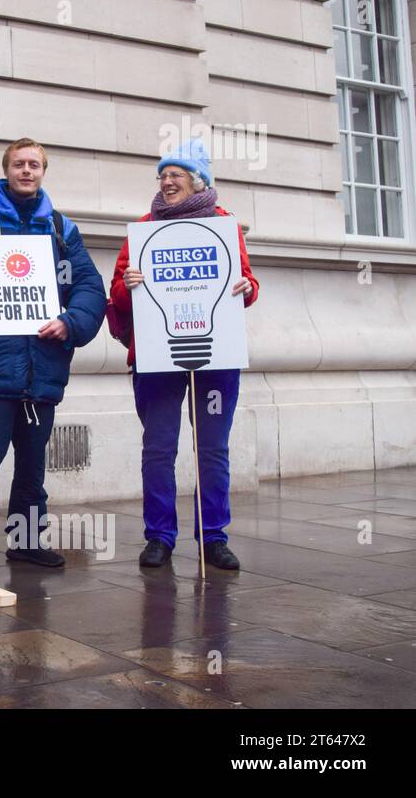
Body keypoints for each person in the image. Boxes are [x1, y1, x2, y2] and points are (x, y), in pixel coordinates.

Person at [0, 138, 106, 580]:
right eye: (19, 164)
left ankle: (26, 544)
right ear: (6, 169)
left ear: (43, 171)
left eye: (34, 164)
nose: (26, 171)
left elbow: (89, 289)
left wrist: (70, 322)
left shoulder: (60, 228)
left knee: (31, 469)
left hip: (41, 372)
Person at [109, 138, 259, 570]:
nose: (167, 181)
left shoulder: (224, 226)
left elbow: (247, 284)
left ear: (198, 182)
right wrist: (129, 284)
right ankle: (159, 536)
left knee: (212, 449)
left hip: (216, 357)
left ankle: (214, 537)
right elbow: (117, 297)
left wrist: (247, 289)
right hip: (157, 358)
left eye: (176, 174)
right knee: (158, 449)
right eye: (163, 175)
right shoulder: (143, 229)